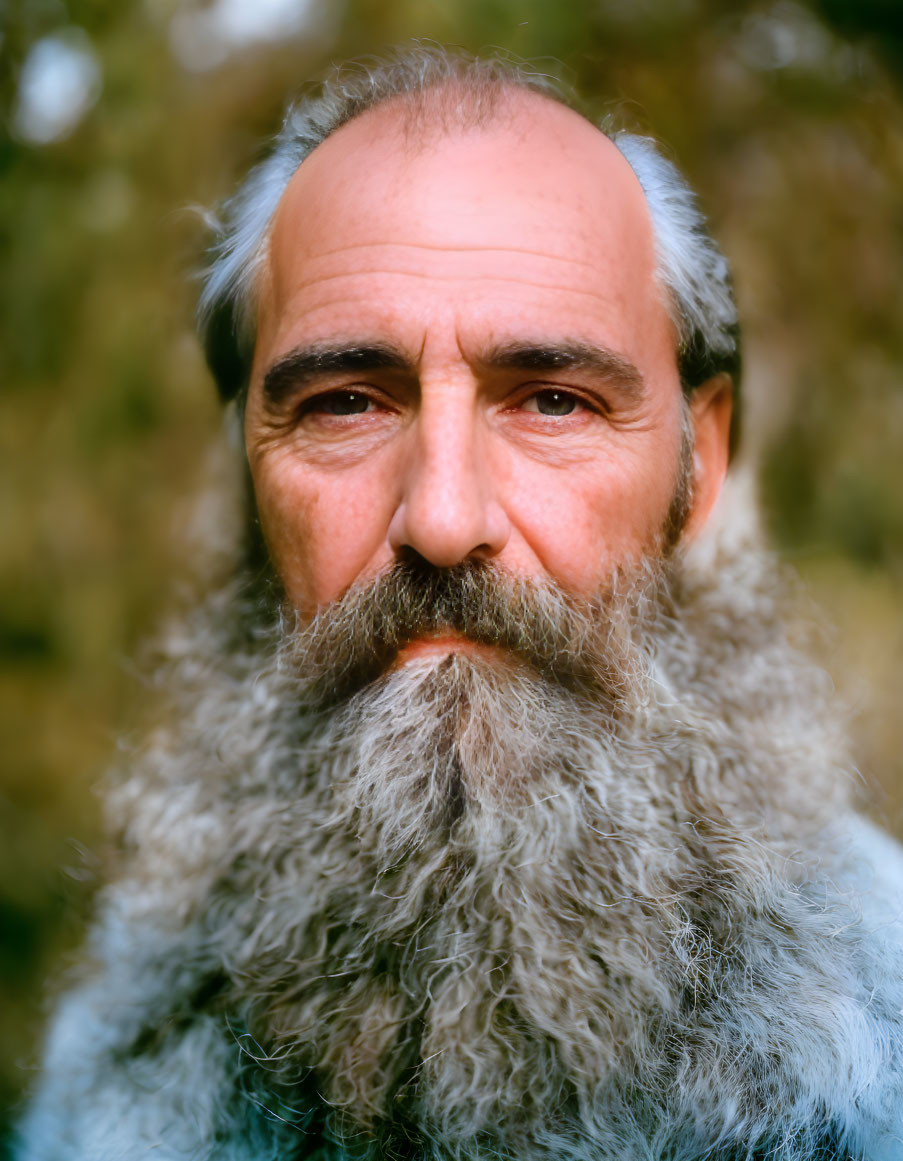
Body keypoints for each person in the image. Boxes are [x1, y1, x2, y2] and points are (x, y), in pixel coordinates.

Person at [16, 45, 903, 1161]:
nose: (441, 517)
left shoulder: (887, 1036)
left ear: (700, 463)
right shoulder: (117, 1064)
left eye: (552, 401)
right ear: (250, 469)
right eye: (345, 404)